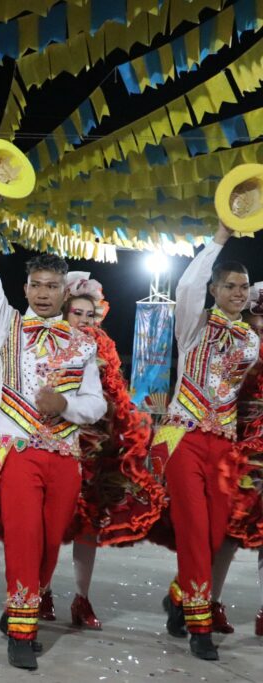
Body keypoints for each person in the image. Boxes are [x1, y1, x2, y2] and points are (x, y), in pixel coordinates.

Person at [0, 182, 106, 670]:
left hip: (65, 457)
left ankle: (20, 606)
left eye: (52, 286)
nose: (44, 293)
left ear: (64, 291)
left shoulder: (84, 344)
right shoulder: (7, 326)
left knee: (49, 544)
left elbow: (96, 405)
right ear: (25, 289)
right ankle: (23, 633)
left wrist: (65, 403)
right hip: (19, 452)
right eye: (36, 285)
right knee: (26, 538)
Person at [152, 223, 258, 660]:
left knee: (214, 535)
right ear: (214, 290)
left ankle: (179, 595)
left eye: (243, 287)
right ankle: (199, 626)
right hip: (183, 437)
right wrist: (219, 238)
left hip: (223, 445)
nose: (238, 293)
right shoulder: (194, 325)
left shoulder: (252, 340)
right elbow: (187, 285)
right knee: (195, 531)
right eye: (229, 286)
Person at [35, 277, 161, 629]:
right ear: (64, 312)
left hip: (96, 451)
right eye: (77, 313)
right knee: (48, 525)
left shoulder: (103, 348)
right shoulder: (48, 342)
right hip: (54, 443)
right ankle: (41, 591)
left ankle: (81, 598)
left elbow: (116, 402)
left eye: (91, 315)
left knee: (88, 528)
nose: (85, 320)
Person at [212, 283, 263, 636]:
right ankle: (207, 602)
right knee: (227, 531)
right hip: (235, 447)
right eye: (255, 322)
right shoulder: (233, 345)